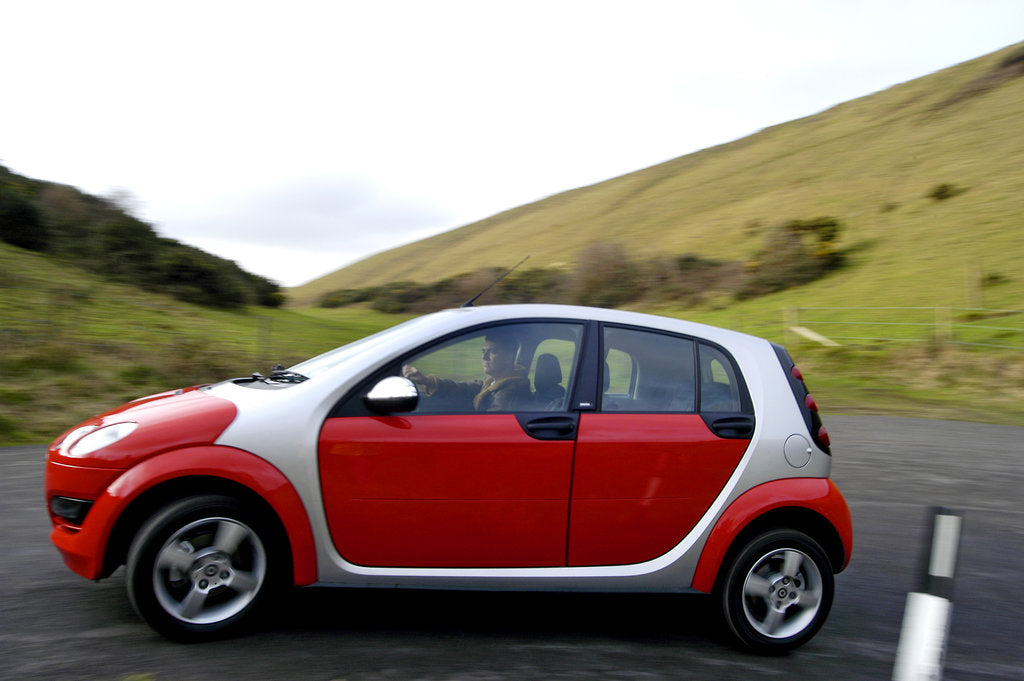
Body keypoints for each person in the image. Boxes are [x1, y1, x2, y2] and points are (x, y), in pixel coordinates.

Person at [402, 330, 532, 412]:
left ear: (508, 358)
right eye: (483, 351)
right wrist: (427, 381)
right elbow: (464, 388)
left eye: (492, 352)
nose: (484, 357)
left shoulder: (510, 392)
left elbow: (489, 427)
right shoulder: (494, 382)